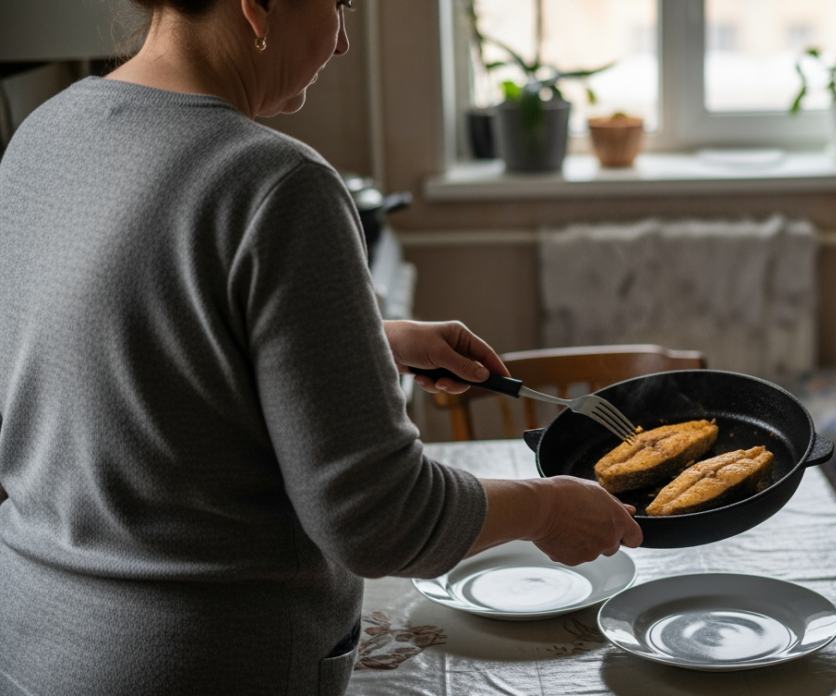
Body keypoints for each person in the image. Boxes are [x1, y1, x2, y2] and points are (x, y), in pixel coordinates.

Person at [0, 0, 641, 694]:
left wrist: (361, 344)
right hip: (205, 666)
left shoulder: (45, 132)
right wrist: (545, 509)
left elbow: (115, 359)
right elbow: (380, 519)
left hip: (31, 645)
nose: (340, 42)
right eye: (338, 5)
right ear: (256, 7)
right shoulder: (276, 183)